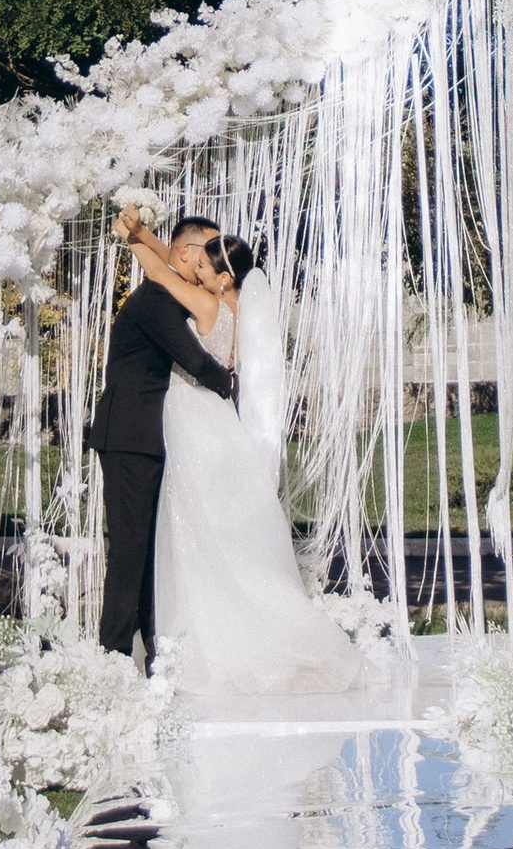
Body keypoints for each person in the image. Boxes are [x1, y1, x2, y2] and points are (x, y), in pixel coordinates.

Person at [116, 221, 353, 699]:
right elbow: (178, 264)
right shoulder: (239, 307)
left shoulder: (207, 305)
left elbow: (162, 274)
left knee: (191, 523)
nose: (196, 272)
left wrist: (134, 239)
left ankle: (200, 639)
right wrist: (146, 234)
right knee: (216, 528)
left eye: (204, 268)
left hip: (193, 419)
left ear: (222, 278)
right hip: (221, 422)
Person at [88, 216, 240, 660]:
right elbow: (194, 360)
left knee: (148, 548)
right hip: (129, 436)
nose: (213, 260)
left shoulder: (171, 292)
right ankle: (114, 653)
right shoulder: (157, 300)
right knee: (130, 548)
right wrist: (231, 387)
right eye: (208, 251)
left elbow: (160, 260)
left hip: (147, 437)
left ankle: (152, 651)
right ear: (188, 253)